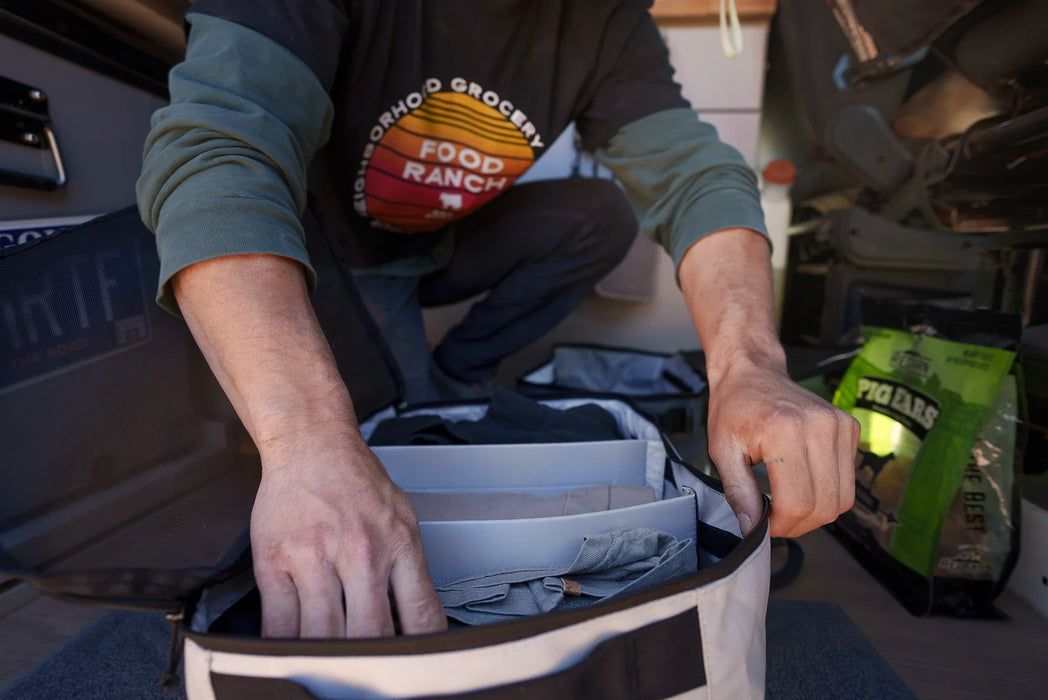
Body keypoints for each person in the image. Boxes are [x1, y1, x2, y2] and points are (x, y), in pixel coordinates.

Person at [136, 0, 859, 640]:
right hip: (331, 256)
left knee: (598, 216)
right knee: (383, 440)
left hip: (444, 240)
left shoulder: (607, 21)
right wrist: (305, 441)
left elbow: (696, 175)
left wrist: (749, 366)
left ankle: (461, 372)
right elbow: (219, 149)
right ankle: (407, 386)